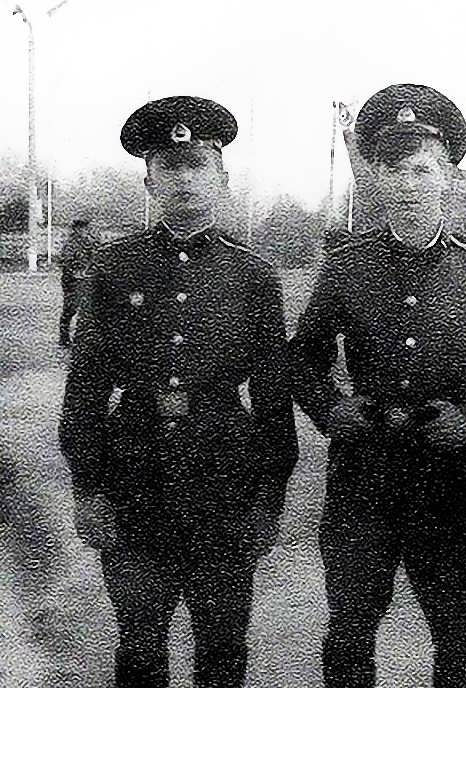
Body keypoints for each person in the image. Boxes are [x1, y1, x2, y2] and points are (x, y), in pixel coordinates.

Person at [288, 83, 466, 687]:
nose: (407, 185)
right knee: (349, 630)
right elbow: (300, 357)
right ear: (375, 178)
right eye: (393, 170)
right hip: (362, 474)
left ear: (448, 176)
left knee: (457, 636)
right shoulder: (347, 266)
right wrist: (331, 409)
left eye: (422, 169)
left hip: (447, 476)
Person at [59, 95, 298, 687]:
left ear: (222, 179)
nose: (184, 180)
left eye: (197, 166)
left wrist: (268, 500)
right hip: (134, 478)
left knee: (223, 643)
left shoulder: (253, 275)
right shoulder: (114, 268)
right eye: (169, 167)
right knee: (139, 642)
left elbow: (273, 400)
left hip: (223, 480)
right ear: (149, 181)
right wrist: (88, 489)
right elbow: (85, 391)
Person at [57, 217, 99, 349]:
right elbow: (64, 261)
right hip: (72, 280)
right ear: (77, 229)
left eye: (87, 228)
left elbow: (96, 255)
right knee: (70, 308)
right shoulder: (71, 244)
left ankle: (80, 338)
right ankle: (64, 337)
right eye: (84, 228)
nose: (86, 230)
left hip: (84, 279)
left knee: (85, 308)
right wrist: (75, 270)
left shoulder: (89, 242)